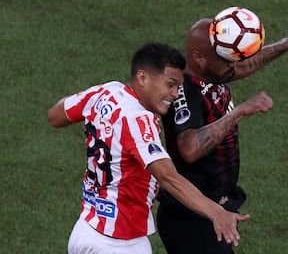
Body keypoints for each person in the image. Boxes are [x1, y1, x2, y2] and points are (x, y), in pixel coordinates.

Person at [47, 42, 265, 254]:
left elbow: (55, 116)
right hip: (119, 243)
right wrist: (216, 212)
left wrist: (89, 103)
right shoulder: (138, 119)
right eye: (170, 84)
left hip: (85, 232)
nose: (176, 93)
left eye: (179, 86)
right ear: (143, 77)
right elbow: (168, 177)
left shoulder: (106, 92)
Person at [156, 3, 288, 254]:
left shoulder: (213, 73)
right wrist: (238, 112)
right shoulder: (185, 93)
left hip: (213, 210)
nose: (233, 65)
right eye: (226, 59)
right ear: (200, 58)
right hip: (192, 219)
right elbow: (189, 148)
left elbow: (244, 66)